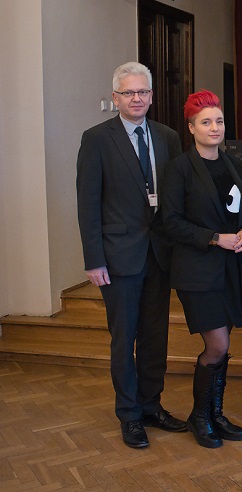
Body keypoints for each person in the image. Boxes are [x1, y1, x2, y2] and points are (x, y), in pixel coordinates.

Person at [76, 62, 185, 449]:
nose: (136, 98)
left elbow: (176, 197)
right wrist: (94, 259)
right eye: (128, 93)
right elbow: (88, 203)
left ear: (151, 96)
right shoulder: (96, 139)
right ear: (115, 97)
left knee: (156, 336)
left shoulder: (168, 137)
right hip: (118, 257)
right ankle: (129, 414)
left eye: (142, 92)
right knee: (124, 339)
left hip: (159, 255)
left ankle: (151, 405)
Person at [161, 90, 242, 449]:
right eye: (206, 122)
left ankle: (216, 413)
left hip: (230, 268)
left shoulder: (233, 163)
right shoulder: (180, 168)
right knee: (217, 343)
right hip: (197, 271)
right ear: (191, 127)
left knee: (224, 345)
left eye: (219, 121)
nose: (215, 127)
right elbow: (170, 221)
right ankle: (200, 416)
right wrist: (215, 238)